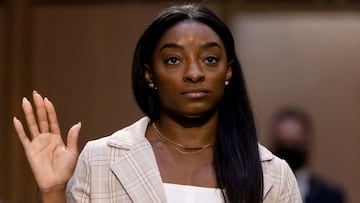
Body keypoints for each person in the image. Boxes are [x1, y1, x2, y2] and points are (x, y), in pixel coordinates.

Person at [13, 4, 302, 203]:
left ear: (228, 71)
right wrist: (52, 191)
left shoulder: (272, 174)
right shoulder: (101, 159)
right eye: (173, 60)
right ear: (150, 73)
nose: (194, 73)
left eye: (210, 59)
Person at [269, 107, 346, 203]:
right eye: (282, 142)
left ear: (308, 145)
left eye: (295, 142)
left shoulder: (330, 196)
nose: (288, 148)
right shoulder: (262, 192)